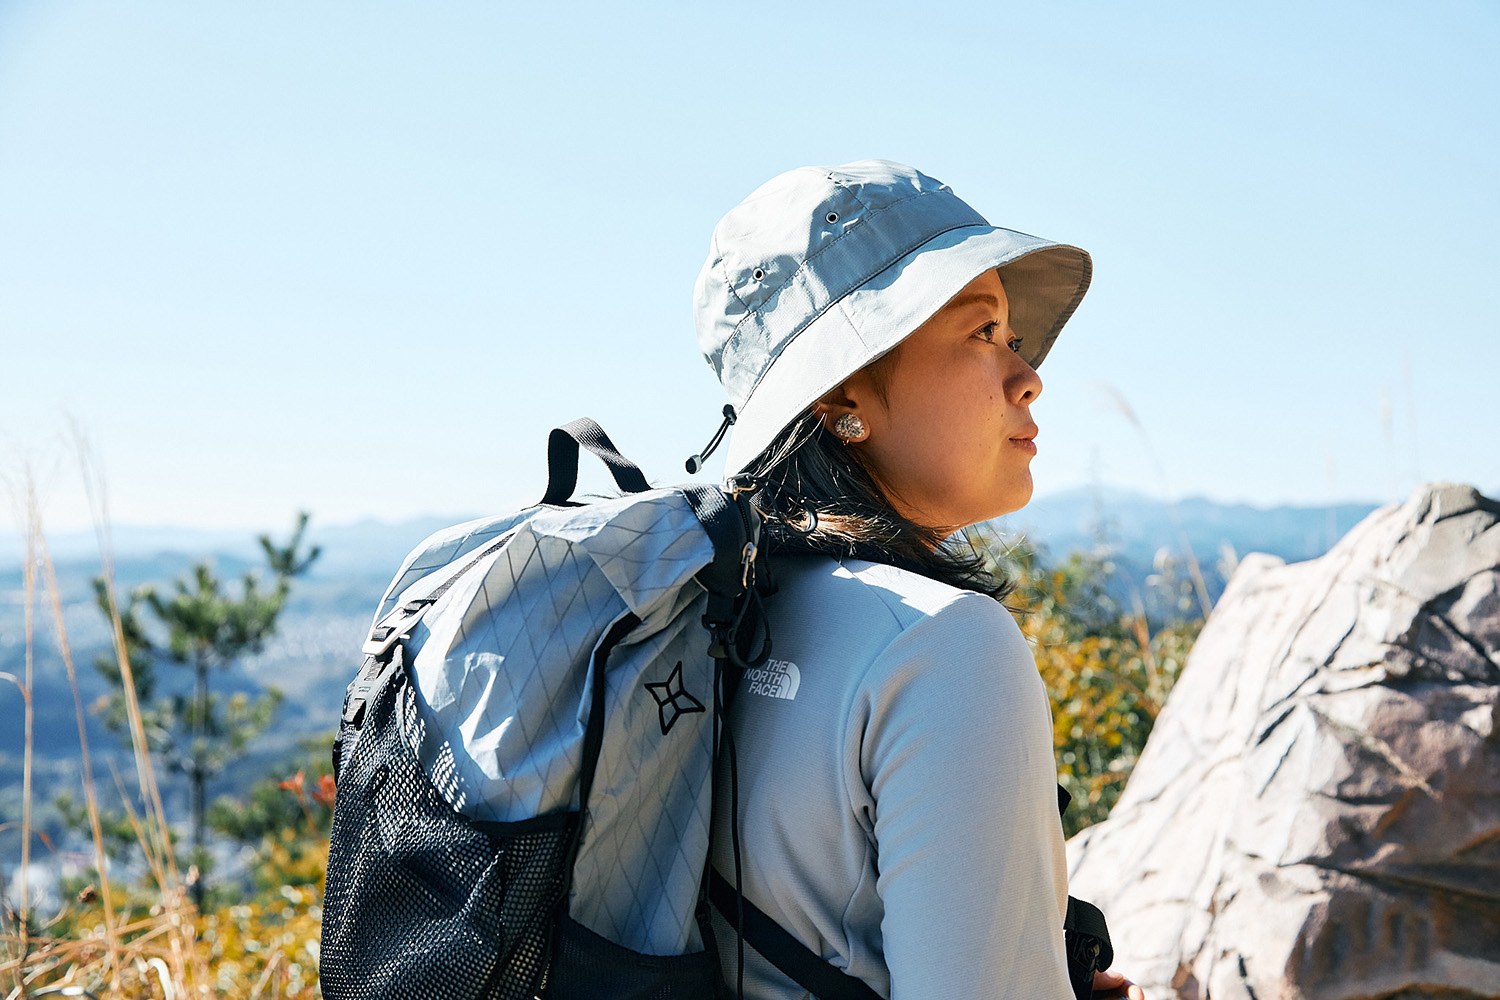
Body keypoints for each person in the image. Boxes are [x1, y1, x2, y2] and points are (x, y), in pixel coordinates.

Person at [692, 160, 1144, 1000]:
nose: (1028, 375)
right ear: (842, 397)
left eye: (1014, 338)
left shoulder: (714, 612)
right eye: (983, 333)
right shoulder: (940, 645)